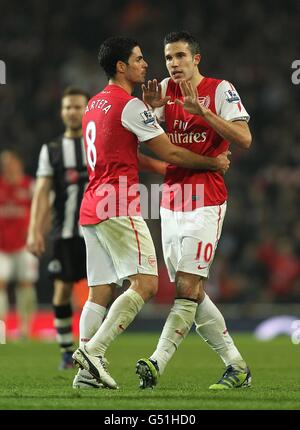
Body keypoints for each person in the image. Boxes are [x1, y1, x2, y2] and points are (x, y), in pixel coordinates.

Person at [71, 36, 230, 390]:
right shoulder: (130, 106)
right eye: (140, 59)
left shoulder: (93, 105)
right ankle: (95, 353)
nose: (147, 65)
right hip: (119, 203)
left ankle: (85, 373)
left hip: (91, 205)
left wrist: (161, 170)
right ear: (122, 67)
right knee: (145, 283)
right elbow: (172, 153)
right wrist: (213, 162)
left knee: (99, 292)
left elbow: (130, 154)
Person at [136, 31, 253, 390]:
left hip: (207, 200)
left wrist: (202, 111)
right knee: (192, 291)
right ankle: (236, 366)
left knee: (187, 286)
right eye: (168, 58)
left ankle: (156, 362)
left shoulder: (219, 89)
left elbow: (244, 138)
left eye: (180, 56)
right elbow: (157, 147)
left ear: (196, 59)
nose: (173, 64)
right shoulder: (163, 95)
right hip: (170, 200)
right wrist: (149, 111)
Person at [27, 86, 91, 371]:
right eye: (68, 107)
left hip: (97, 231)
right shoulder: (51, 150)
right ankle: (67, 350)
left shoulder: (98, 144)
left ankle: (92, 350)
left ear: (87, 110)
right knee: (62, 289)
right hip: (64, 232)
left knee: (101, 291)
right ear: (61, 112)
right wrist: (34, 231)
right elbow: (42, 193)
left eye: (78, 107)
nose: (72, 112)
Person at [0, 150, 38, 339]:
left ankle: (25, 329)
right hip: (2, 247)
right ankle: (1, 331)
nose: (7, 167)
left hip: (25, 245)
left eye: (9, 163)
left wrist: (37, 232)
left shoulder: (29, 186)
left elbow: (41, 209)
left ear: (18, 164)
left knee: (25, 284)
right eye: (4, 164)